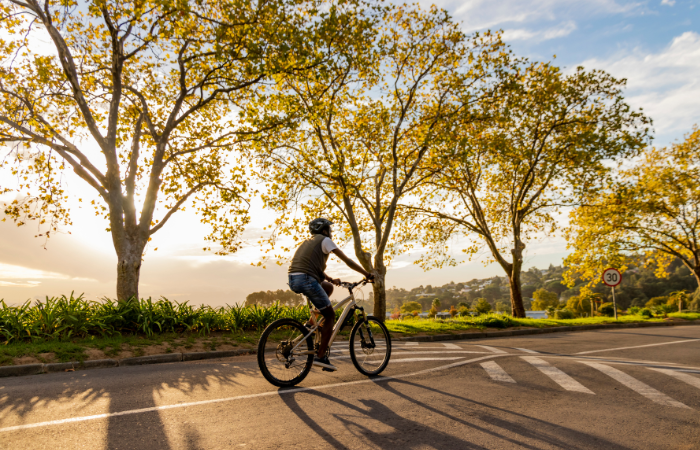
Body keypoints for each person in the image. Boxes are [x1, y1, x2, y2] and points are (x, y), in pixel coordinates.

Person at [288, 218, 373, 371]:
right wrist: (366, 273)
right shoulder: (325, 240)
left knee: (327, 287)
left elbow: (312, 266)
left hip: (295, 279)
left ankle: (312, 323)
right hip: (307, 279)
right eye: (330, 229)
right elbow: (347, 261)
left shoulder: (308, 242)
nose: (331, 233)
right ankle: (321, 356)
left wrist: (330, 279)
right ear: (325, 230)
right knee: (330, 316)